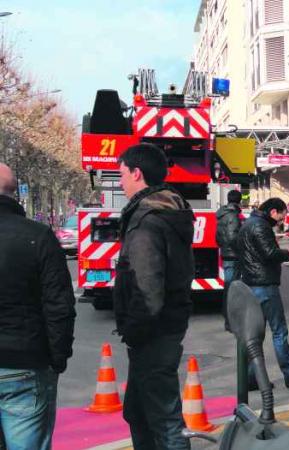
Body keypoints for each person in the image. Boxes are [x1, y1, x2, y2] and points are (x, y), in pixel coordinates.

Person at [114, 144, 194, 449]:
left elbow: (147, 287)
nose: (120, 181)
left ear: (137, 173)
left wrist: (134, 329)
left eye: (122, 174)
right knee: (138, 411)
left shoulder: (147, 220)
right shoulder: (166, 210)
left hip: (153, 334)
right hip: (162, 328)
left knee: (164, 419)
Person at [0, 163, 76, 450]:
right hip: (25, 363)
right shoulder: (38, 236)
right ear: (14, 193)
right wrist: (57, 358)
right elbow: (59, 305)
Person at [235, 198, 289, 388]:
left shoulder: (248, 223)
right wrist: (286, 254)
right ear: (273, 212)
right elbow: (269, 253)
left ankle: (252, 377)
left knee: (255, 334)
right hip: (264, 285)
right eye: (282, 215)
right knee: (279, 331)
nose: (282, 220)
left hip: (250, 284)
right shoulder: (260, 226)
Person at [216, 189, 243, 331]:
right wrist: (242, 248)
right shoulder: (233, 216)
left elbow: (218, 237)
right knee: (232, 288)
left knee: (229, 287)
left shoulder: (222, 215)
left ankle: (228, 319)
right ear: (239, 200)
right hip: (233, 255)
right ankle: (230, 321)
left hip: (226, 253)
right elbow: (233, 237)